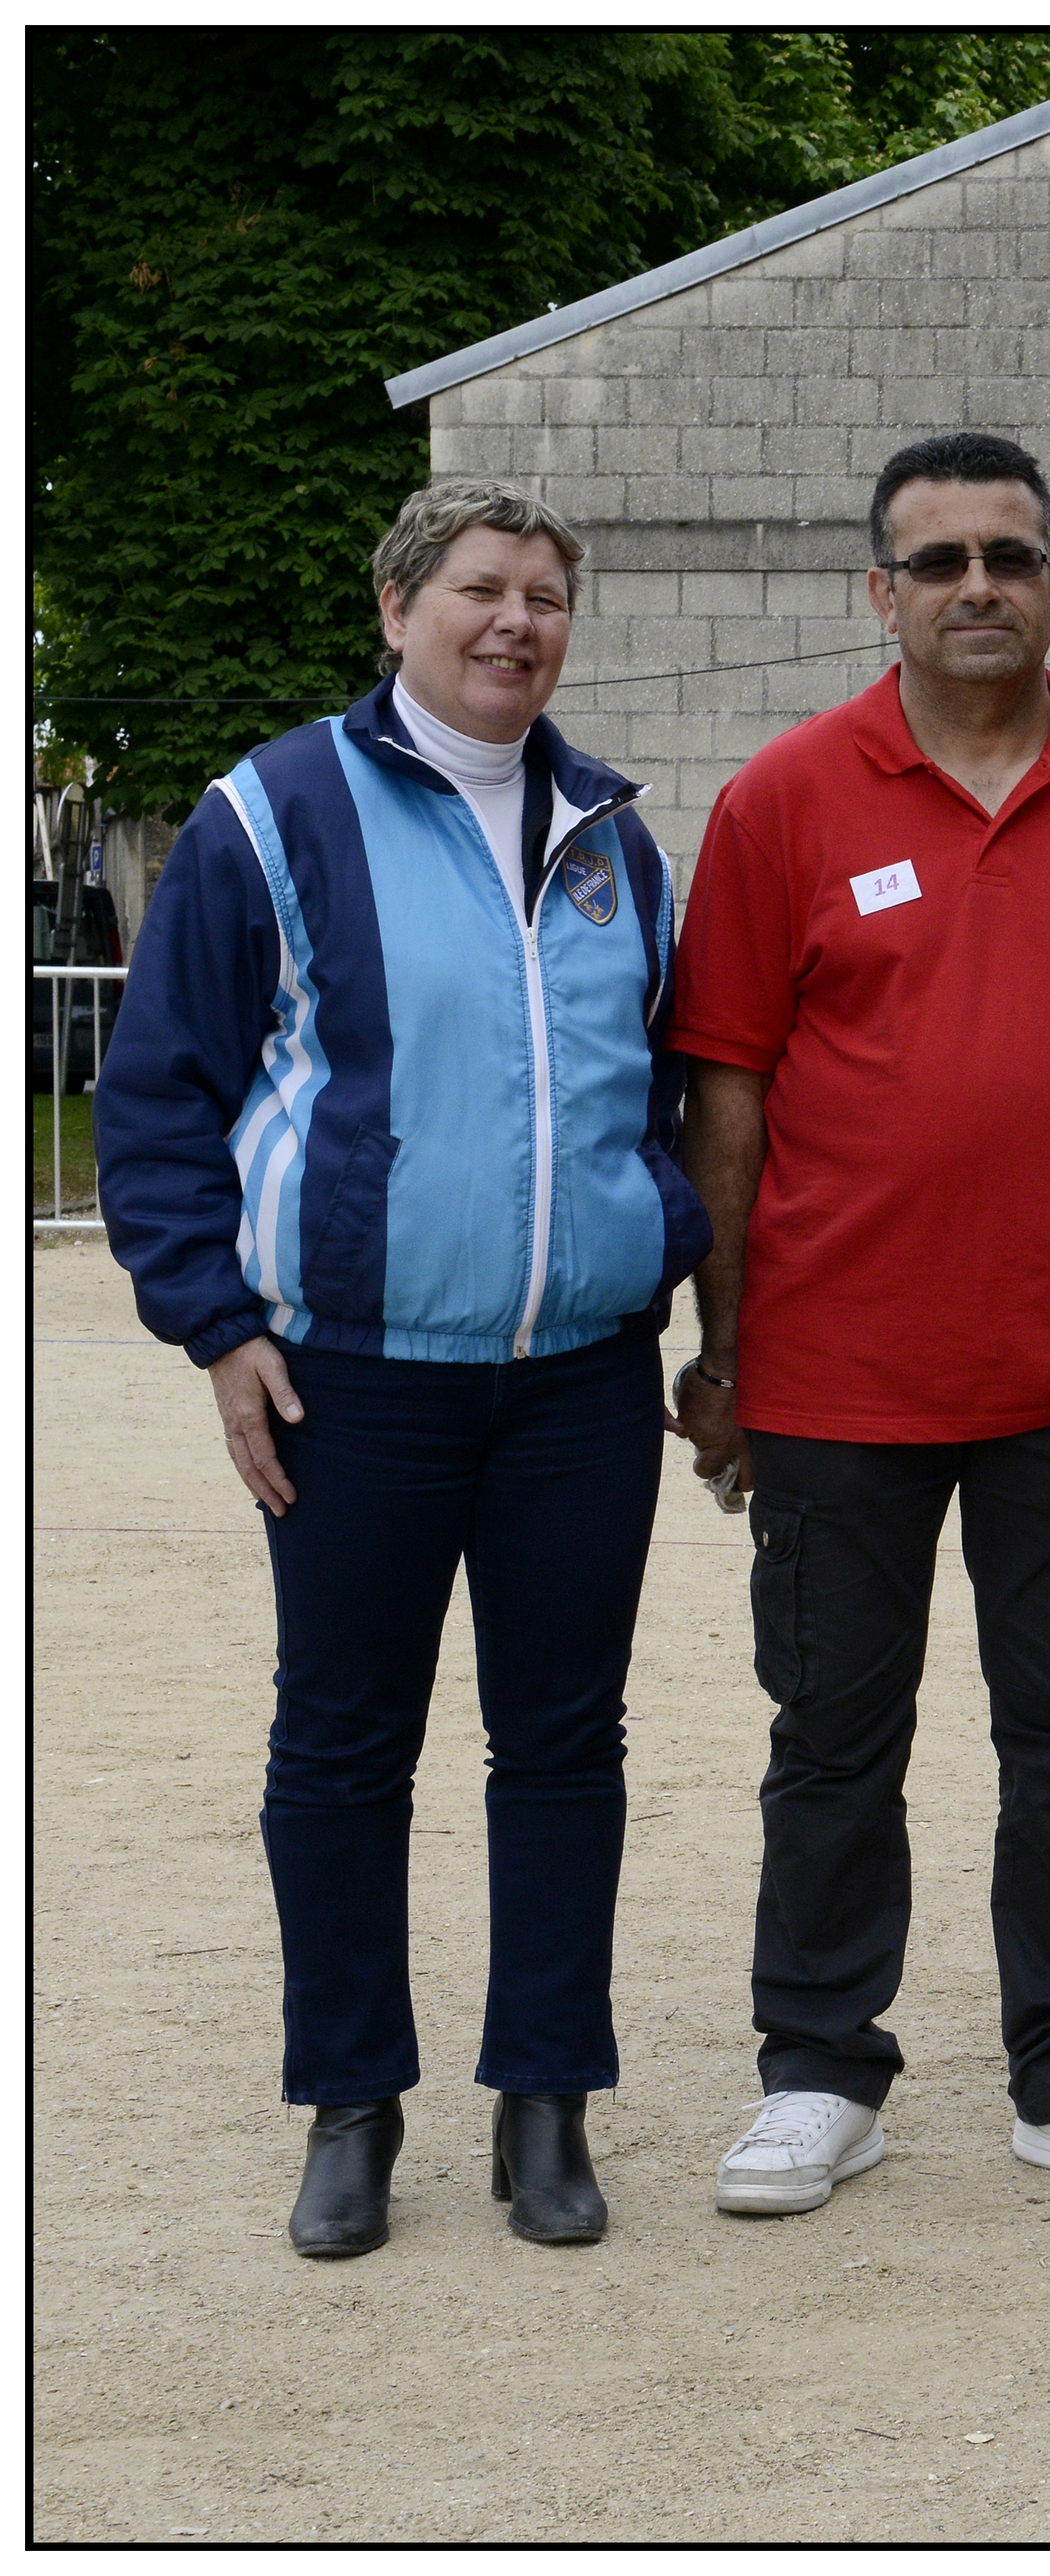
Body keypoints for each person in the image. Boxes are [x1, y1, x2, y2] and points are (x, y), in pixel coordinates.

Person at [95, 477, 703, 2257]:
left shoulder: (612, 831)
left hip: (578, 1385)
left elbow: (661, 1086)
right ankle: (351, 2103)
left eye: (546, 596)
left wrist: (653, 1236)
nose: (517, 622)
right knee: (344, 1745)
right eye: (481, 590)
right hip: (352, 1378)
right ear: (397, 606)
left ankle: (545, 2104)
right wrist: (216, 1321)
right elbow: (157, 1100)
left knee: (564, 1742)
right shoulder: (270, 814)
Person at [665, 432, 1050, 2215]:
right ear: (881, 595)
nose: (980, 586)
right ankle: (819, 2071)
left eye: (1013, 556)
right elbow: (728, 1103)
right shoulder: (784, 800)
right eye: (940, 562)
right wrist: (729, 1352)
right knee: (833, 1736)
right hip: (838, 1377)